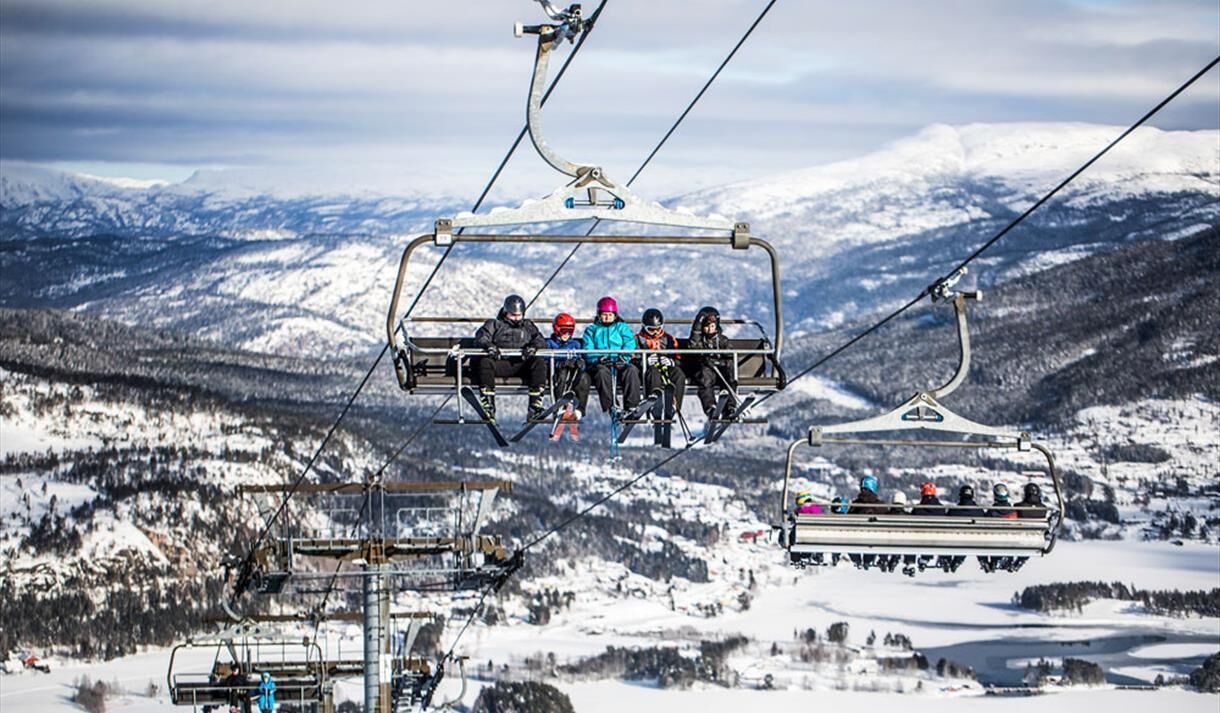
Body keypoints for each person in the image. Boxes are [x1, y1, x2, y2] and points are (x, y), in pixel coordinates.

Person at [474, 294, 547, 422]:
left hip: (521, 364)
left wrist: (533, 347)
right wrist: (489, 346)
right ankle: (489, 406)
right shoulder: (495, 324)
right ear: (505, 312)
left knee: (539, 363)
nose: (516, 319)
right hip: (501, 363)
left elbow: (540, 340)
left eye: (519, 316)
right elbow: (482, 337)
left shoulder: (528, 326)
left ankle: (535, 406)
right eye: (513, 315)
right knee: (485, 362)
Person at [582, 296, 642, 415]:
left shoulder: (621, 327)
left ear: (615, 315)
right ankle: (612, 406)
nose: (607, 317)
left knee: (631, 370)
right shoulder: (592, 330)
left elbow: (629, 343)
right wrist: (599, 358)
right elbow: (587, 349)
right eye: (604, 315)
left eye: (610, 315)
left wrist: (624, 357)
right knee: (601, 372)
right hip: (601, 363)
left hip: (619, 360)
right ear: (599, 315)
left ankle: (631, 406)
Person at [686, 306, 739, 420]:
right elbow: (693, 346)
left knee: (729, 375)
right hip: (705, 373)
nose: (709, 329)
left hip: (720, 372)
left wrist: (718, 362)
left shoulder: (723, 340)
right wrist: (697, 325)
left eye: (712, 326)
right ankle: (710, 407)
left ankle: (730, 406)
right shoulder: (700, 340)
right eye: (706, 326)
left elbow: (730, 358)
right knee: (705, 376)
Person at [636, 308, 686, 415]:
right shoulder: (637, 339)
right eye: (651, 330)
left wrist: (671, 362)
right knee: (654, 372)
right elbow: (632, 358)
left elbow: (678, 357)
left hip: (666, 368)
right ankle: (655, 403)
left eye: (658, 329)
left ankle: (674, 405)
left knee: (679, 374)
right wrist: (644, 361)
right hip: (648, 371)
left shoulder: (669, 339)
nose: (655, 333)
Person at [545, 312, 591, 420]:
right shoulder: (550, 344)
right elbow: (545, 360)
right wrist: (559, 364)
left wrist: (580, 363)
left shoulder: (575, 345)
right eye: (563, 330)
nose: (566, 334)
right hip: (559, 374)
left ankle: (580, 410)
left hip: (574, 375)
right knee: (562, 373)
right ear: (556, 329)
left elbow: (582, 358)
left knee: (585, 377)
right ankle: (560, 405)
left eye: (570, 331)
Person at [980, 483, 1018, 572]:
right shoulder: (1013, 512)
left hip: (994, 541)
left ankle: (992, 562)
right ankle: (1008, 561)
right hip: (1011, 540)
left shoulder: (991, 512)